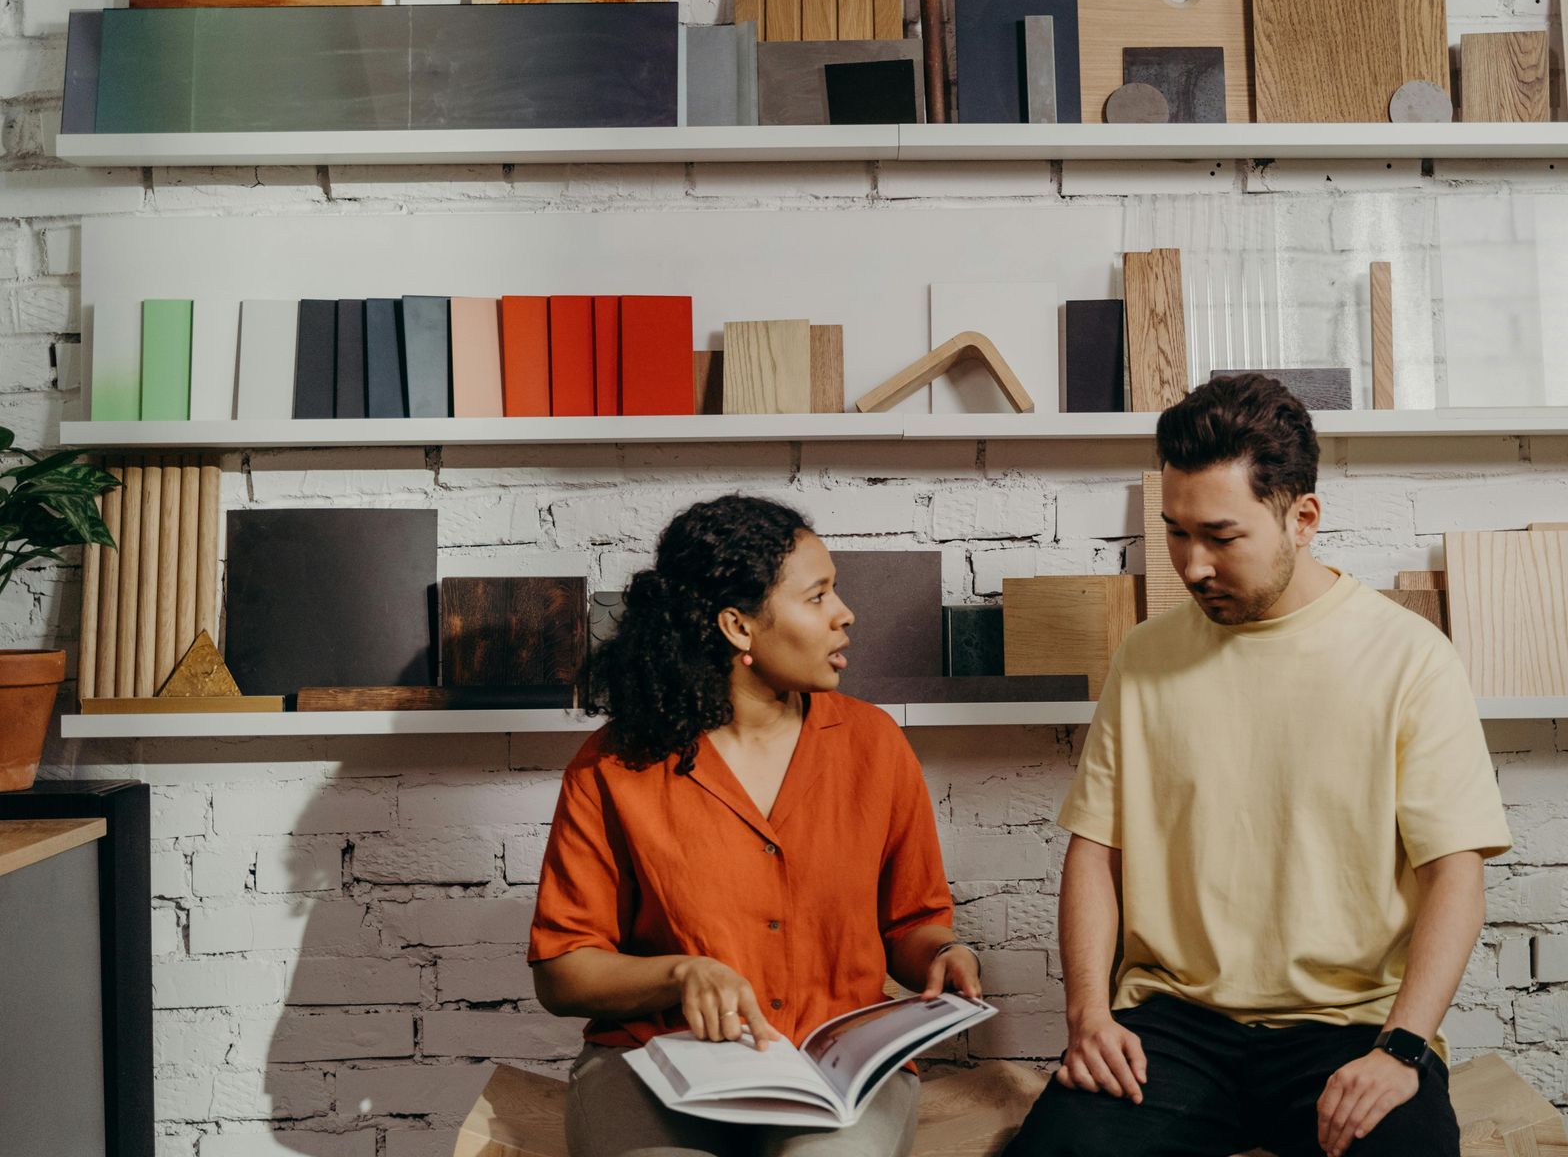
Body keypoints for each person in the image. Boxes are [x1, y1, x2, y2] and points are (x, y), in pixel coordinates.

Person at [1005, 375, 1512, 1157]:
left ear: (1302, 517)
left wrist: (1403, 1048)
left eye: (1220, 535)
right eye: (1175, 532)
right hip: (1170, 1028)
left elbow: (1456, 875)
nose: (1193, 565)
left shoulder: (1410, 658)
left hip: (1345, 1028)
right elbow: (1094, 853)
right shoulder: (1144, 659)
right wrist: (1088, 1017)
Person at [528, 494, 981, 1157]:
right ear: (739, 628)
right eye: (818, 596)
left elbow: (911, 924)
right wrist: (680, 975)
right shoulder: (612, 766)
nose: (844, 614)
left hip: (835, 1072)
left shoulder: (874, 745)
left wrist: (943, 955)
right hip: (659, 1066)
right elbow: (562, 971)